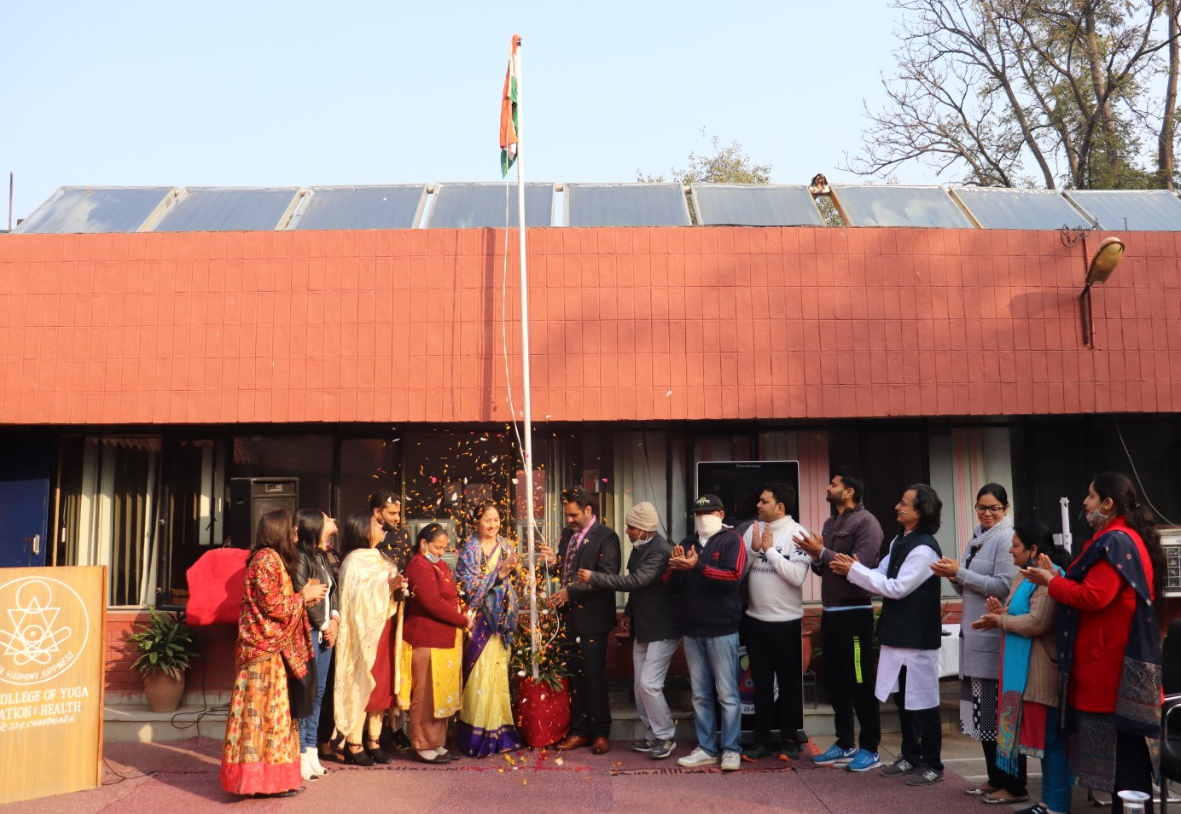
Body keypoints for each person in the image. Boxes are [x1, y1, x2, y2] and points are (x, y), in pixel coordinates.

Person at [1021, 473, 1164, 814]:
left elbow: (1094, 596)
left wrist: (1053, 582)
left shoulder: (1116, 540)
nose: (1084, 503)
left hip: (1112, 665)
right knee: (1123, 762)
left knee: (1126, 762)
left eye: (1089, 496)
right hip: (1111, 661)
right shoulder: (1117, 538)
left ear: (1108, 502)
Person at [832, 483, 945, 787]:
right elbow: (881, 574)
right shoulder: (900, 540)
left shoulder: (924, 548)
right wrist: (855, 568)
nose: (897, 507)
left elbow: (897, 588)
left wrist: (854, 571)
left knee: (924, 700)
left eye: (905, 503)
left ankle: (932, 763)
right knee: (903, 697)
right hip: (899, 632)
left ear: (921, 512)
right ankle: (910, 754)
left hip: (917, 635)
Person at [220, 509, 326, 797]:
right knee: (263, 718)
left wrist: (301, 595)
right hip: (263, 654)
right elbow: (273, 607)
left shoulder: (273, 558)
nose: (295, 533)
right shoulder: (266, 558)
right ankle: (261, 783)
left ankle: (273, 781)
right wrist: (303, 597)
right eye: (291, 529)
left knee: (273, 717)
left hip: (273, 651)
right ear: (279, 530)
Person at [930, 484, 1024, 804]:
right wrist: (954, 576)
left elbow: (1001, 586)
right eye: (981, 507)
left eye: (994, 508)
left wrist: (961, 573)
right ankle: (995, 778)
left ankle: (1013, 784)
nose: (986, 513)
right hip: (974, 637)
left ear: (1005, 508)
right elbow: (969, 591)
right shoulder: (977, 537)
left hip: (993, 639)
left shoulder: (1005, 537)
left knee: (1000, 718)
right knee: (983, 718)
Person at [972, 520, 1071, 814]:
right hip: (1023, 668)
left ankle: (1057, 803)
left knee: (1051, 742)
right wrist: (1000, 613)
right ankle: (1048, 802)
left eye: (1015, 545)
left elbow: (1037, 622)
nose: (1010, 550)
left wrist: (1000, 621)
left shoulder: (1050, 578)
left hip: (1041, 670)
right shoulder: (1023, 576)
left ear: (1033, 549)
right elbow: (1021, 613)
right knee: (1043, 742)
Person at [796, 466, 884, 772]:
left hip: (855, 614)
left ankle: (870, 748)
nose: (826, 488)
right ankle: (845, 744)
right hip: (831, 614)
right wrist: (815, 555)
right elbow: (829, 565)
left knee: (860, 679)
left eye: (832, 484)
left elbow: (859, 569)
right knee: (834, 682)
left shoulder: (867, 522)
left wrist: (823, 553)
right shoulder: (830, 521)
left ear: (849, 491)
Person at [576, 501, 680, 760]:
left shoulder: (661, 551)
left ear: (644, 529)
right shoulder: (640, 547)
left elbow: (636, 580)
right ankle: (651, 734)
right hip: (644, 626)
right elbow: (639, 589)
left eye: (631, 528)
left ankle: (666, 735)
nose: (627, 532)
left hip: (663, 627)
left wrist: (595, 577)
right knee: (639, 686)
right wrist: (630, 615)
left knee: (649, 684)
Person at [668, 494, 747, 773]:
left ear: (721, 514)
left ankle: (731, 749)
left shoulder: (732, 540)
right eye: (698, 513)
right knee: (700, 694)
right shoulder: (687, 543)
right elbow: (672, 585)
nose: (703, 517)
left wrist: (697, 566)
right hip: (692, 629)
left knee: (727, 694)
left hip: (721, 629)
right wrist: (676, 568)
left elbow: (733, 577)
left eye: (709, 512)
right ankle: (706, 748)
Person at [541, 487, 622, 755]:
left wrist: (570, 592)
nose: (569, 520)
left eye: (574, 515)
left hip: (593, 618)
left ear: (589, 510)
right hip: (569, 617)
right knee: (575, 677)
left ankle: (601, 732)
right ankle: (579, 731)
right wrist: (553, 563)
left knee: (595, 677)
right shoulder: (568, 535)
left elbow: (606, 577)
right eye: (566, 515)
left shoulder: (607, 537)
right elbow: (565, 571)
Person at [739, 483, 811, 762]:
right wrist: (755, 550)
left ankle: (790, 741)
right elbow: (740, 570)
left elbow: (796, 576)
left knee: (790, 686)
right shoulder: (753, 530)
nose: (758, 504)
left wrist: (769, 551)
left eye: (764, 501)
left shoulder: (798, 534)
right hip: (755, 621)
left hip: (786, 622)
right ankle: (760, 741)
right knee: (761, 685)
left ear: (780, 506)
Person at [333, 511, 405, 766]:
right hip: (363, 634)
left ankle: (374, 739)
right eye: (377, 524)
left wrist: (396, 588)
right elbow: (357, 598)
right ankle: (354, 742)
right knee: (363, 683)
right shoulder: (353, 561)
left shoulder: (382, 558)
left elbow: (385, 591)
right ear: (364, 530)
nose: (383, 526)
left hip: (384, 628)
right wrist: (387, 586)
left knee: (382, 687)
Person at [454, 502, 523, 756]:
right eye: (487, 520)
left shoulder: (506, 546)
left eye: (495, 520)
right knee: (479, 677)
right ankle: (476, 737)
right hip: (480, 620)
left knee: (498, 677)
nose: (492, 525)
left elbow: (516, 580)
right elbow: (467, 586)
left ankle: (501, 734)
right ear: (476, 522)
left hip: (501, 622)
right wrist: (498, 573)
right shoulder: (470, 550)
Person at [402, 523, 468, 764]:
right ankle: (422, 743)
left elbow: (449, 596)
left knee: (441, 694)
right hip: (426, 638)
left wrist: (462, 614)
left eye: (444, 547)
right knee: (426, 694)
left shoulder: (438, 564)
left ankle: (437, 742)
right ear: (423, 544)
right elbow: (431, 603)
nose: (441, 552)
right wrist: (463, 619)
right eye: (437, 547)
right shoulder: (418, 565)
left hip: (444, 638)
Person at [292, 509, 339, 781]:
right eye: (325, 519)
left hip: (325, 633)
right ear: (314, 527)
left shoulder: (321, 556)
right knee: (306, 695)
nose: (331, 522)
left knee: (319, 693)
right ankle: (300, 754)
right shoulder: (300, 558)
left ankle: (312, 751)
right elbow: (305, 595)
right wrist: (323, 626)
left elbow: (332, 593)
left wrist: (334, 619)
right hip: (310, 633)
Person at [370, 488, 412, 750]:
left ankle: (394, 726)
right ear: (376, 512)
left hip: (398, 611)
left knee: (395, 670)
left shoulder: (402, 535)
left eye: (398, 513)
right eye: (392, 513)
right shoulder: (365, 537)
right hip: (371, 616)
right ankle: (367, 734)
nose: (397, 518)